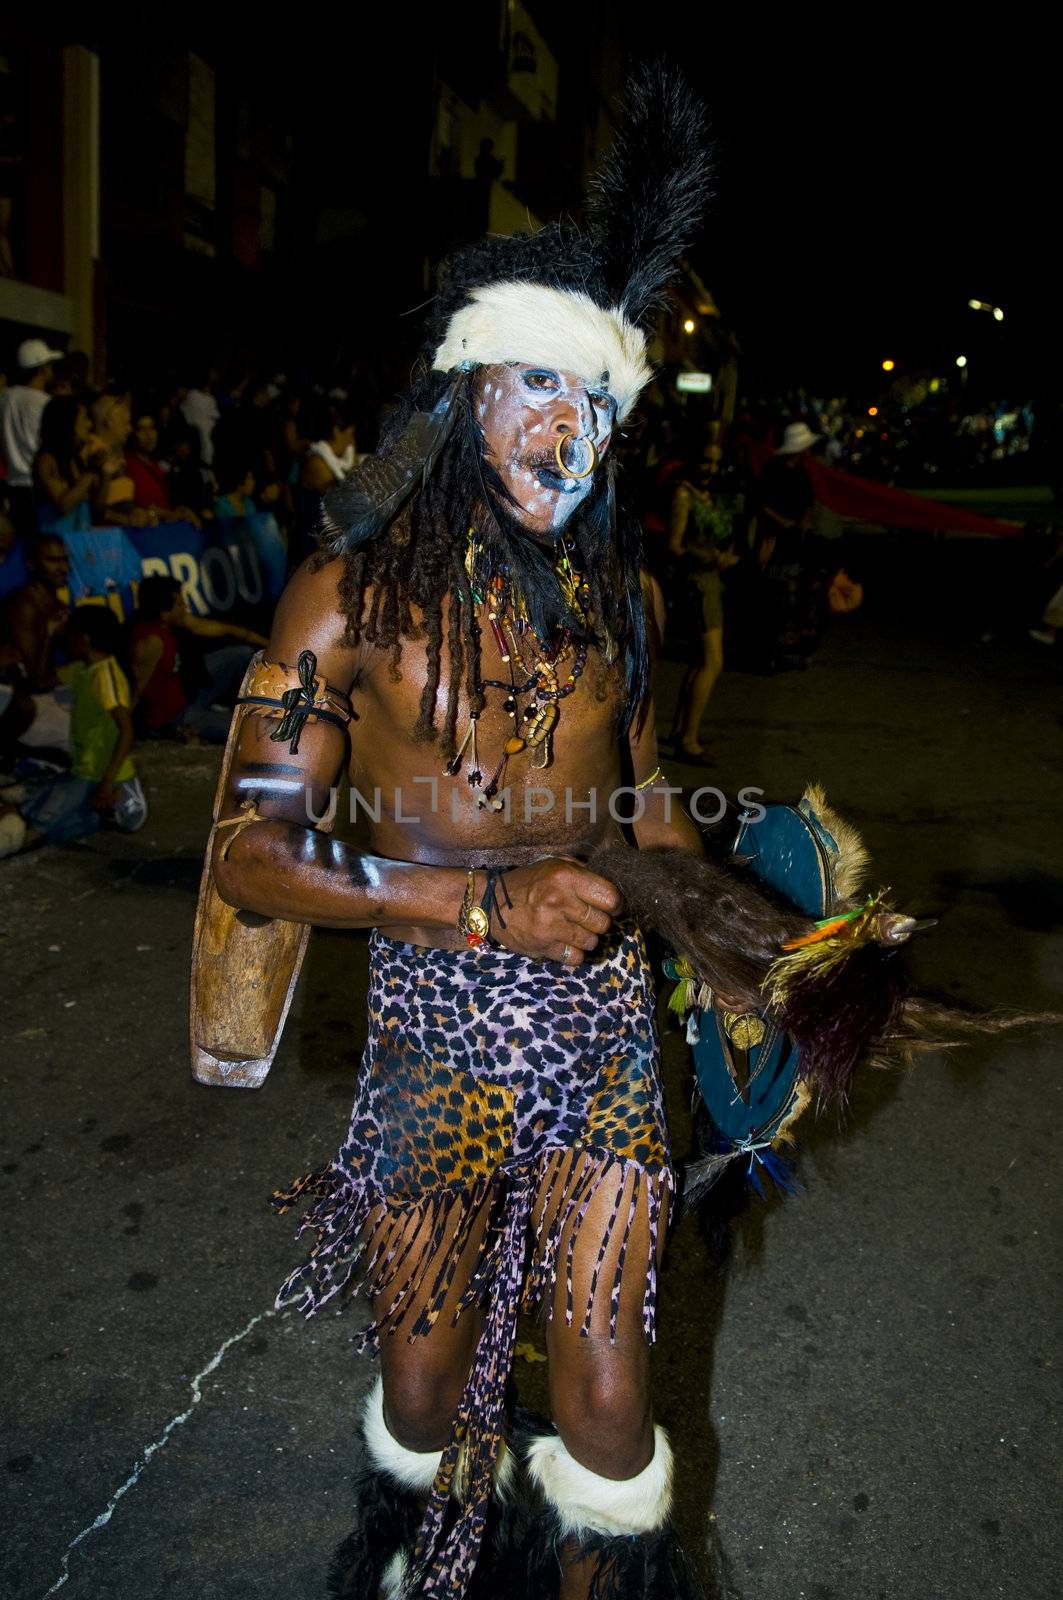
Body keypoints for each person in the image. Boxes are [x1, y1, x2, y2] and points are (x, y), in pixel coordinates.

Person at [204, 66, 713, 1600]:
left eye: (596, 404)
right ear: (466, 396)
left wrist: (738, 933)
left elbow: (642, 786)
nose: (569, 431)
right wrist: (480, 913)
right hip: (433, 1019)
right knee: (426, 1399)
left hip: (601, 1025)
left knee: (609, 1399)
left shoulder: (623, 598)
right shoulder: (342, 603)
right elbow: (248, 855)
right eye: (539, 390)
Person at [14, 604, 147, 846]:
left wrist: (106, 785)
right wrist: (48, 637)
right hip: (83, 769)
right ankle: (97, 813)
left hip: (101, 773)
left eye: (68, 636)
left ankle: (119, 792)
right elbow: (40, 681)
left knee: (40, 825)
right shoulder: (82, 669)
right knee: (36, 812)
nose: (65, 643)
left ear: (83, 639)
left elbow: (127, 731)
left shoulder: (106, 675)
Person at [666, 439, 739, 762]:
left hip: (710, 577)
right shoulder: (684, 494)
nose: (710, 469)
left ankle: (683, 731)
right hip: (697, 580)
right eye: (705, 461)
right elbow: (675, 545)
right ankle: (689, 739)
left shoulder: (712, 495)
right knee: (713, 660)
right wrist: (709, 557)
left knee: (702, 660)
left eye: (715, 462)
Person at [130, 574, 266, 743]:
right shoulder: (151, 642)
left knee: (242, 654)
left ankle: (250, 706)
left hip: (189, 690)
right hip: (179, 716)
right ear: (164, 612)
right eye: (180, 604)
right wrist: (127, 733)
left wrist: (271, 645)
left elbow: (229, 630)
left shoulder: (170, 622)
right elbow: (134, 693)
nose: (186, 606)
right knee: (255, 731)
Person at [0, 337, 62, 536]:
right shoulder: (47, 403)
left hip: (12, 486)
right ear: (42, 368)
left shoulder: (5, 397)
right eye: (49, 365)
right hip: (39, 487)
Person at [33, 396, 103, 534]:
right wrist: (90, 471)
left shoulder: (78, 460)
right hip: (55, 546)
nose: (90, 424)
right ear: (68, 423)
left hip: (81, 542)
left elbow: (97, 510)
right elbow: (65, 505)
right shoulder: (46, 461)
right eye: (84, 418)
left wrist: (105, 473)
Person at [125, 411, 202, 526]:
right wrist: (172, 514)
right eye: (142, 429)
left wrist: (179, 511)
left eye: (152, 428)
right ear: (132, 433)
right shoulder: (127, 464)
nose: (148, 434)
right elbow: (139, 508)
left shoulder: (155, 466)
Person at [179, 367, 221, 466]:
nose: (214, 377)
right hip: (198, 437)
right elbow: (188, 416)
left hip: (209, 438)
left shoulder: (211, 399)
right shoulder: (193, 395)